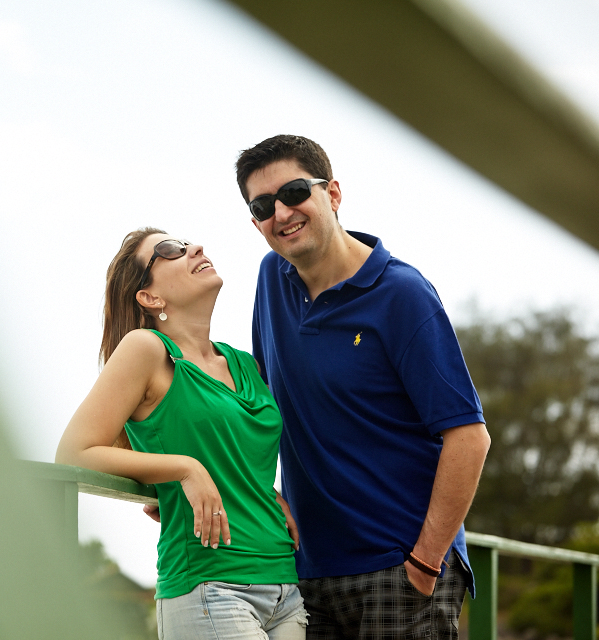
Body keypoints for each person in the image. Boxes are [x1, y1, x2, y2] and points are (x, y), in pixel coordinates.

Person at [235, 134, 491, 639]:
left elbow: (469, 436)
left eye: (293, 193)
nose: (281, 213)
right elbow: (260, 410)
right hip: (307, 571)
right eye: (263, 206)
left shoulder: (403, 294)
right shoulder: (271, 279)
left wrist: (424, 563)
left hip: (400, 567)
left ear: (332, 193)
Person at [56, 228, 308, 640]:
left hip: (285, 586)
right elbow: (73, 454)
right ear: (150, 298)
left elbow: (236, 459)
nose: (195, 247)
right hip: (211, 588)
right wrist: (184, 469)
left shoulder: (245, 364)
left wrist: (268, 492)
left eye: (187, 241)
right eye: (169, 250)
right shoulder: (147, 350)